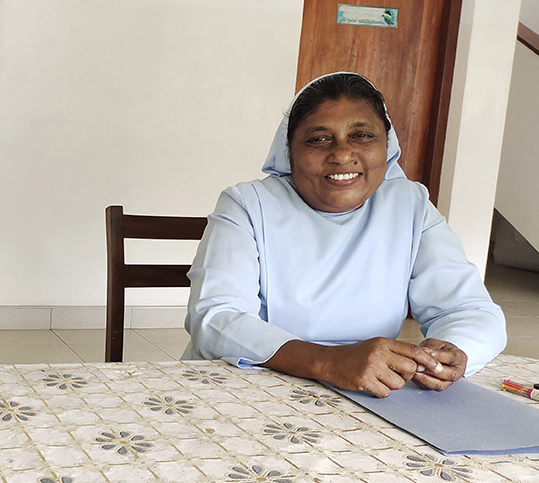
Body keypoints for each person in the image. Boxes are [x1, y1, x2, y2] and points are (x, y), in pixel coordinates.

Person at [182, 72, 506, 398]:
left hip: (368, 395)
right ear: (290, 151)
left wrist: (451, 351)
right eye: (319, 139)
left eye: (362, 135)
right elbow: (216, 319)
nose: (342, 154)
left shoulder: (410, 205)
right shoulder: (248, 205)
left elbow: (471, 311)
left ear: (387, 145)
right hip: (251, 385)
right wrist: (329, 361)